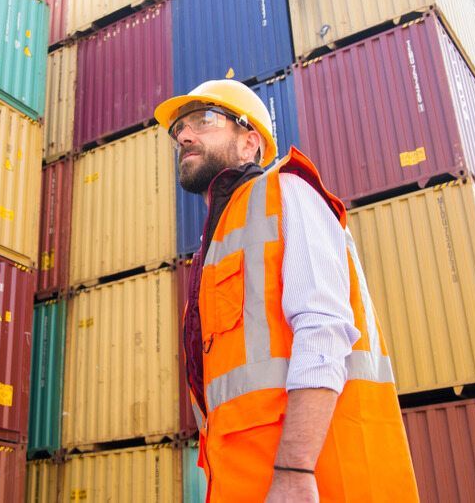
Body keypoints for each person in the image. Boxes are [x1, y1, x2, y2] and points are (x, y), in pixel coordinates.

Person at [154, 80, 419, 502]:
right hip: (247, 484)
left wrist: (295, 470)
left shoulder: (284, 190)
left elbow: (323, 327)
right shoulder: (215, 248)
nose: (184, 135)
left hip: (316, 482)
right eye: (178, 130)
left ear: (249, 143)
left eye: (204, 120)